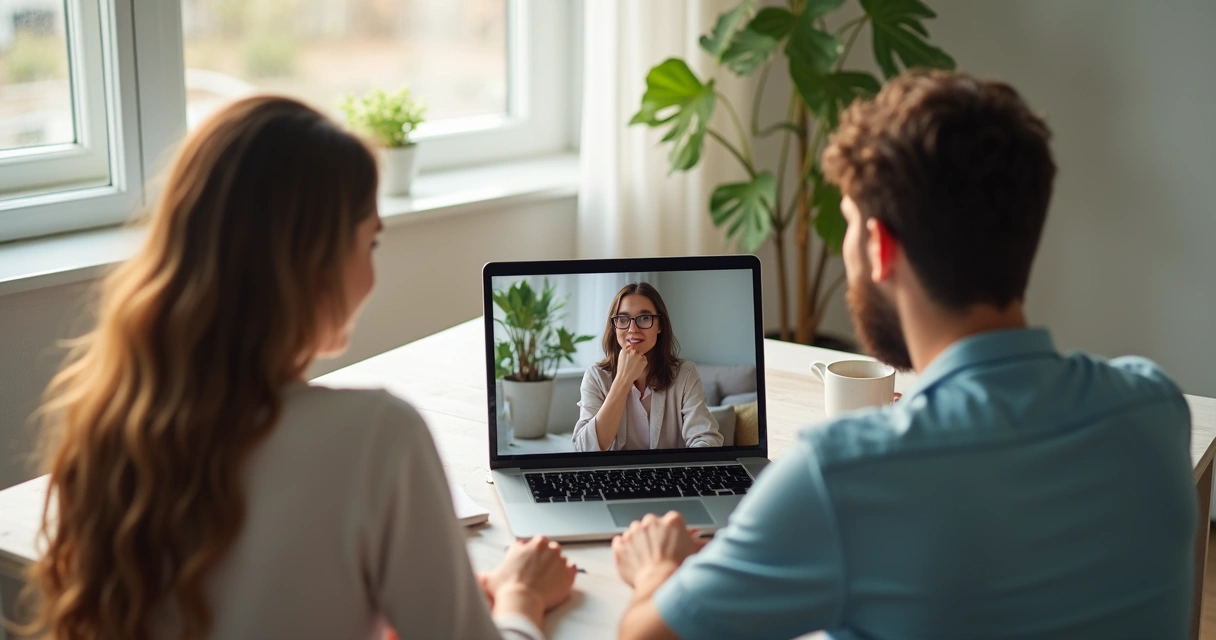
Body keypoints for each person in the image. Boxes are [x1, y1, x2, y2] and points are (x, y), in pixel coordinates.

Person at [610, 71, 1197, 639]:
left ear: (877, 246)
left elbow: (648, 637)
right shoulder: (1155, 407)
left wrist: (655, 567)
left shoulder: (840, 477)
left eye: (846, 225)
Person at [20, 96, 575, 640]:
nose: (372, 274)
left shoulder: (108, 423)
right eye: (371, 242)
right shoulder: (377, 436)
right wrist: (520, 599)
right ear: (316, 262)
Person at [572, 283, 723, 451]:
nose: (632, 329)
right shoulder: (596, 376)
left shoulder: (685, 374)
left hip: (672, 474)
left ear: (660, 325)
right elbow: (586, 449)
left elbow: (706, 439)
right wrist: (623, 379)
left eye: (644, 318)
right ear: (614, 326)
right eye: (623, 319)